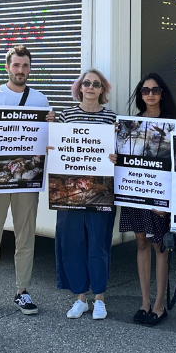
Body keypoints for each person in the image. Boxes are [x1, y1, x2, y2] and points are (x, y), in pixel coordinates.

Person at [0, 45, 52, 319]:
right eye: (16, 65)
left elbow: (48, 138)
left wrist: (51, 124)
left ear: (30, 68)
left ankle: (22, 290)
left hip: (27, 180)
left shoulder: (40, 100)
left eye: (25, 66)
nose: (21, 71)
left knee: (25, 235)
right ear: (7, 67)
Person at [116, 73, 176, 326]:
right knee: (142, 243)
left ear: (162, 94)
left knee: (160, 247)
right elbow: (124, 159)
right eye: (145, 91)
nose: (151, 94)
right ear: (140, 95)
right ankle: (144, 302)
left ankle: (159, 304)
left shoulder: (173, 124)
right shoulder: (129, 124)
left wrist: (169, 204)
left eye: (155, 90)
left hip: (160, 198)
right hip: (135, 192)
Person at [54, 68, 117, 319]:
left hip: (100, 191)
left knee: (98, 244)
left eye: (96, 84)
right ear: (79, 87)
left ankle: (100, 298)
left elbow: (118, 150)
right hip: (69, 190)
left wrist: (115, 156)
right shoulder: (64, 116)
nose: (90, 87)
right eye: (86, 83)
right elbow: (55, 146)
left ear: (103, 89)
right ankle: (80, 298)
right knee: (73, 243)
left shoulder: (112, 118)